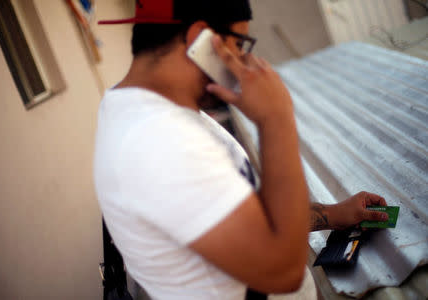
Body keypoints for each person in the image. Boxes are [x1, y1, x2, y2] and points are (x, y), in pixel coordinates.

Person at [94, 0, 389, 299]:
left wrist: (333, 214)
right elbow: (281, 272)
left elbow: (248, 220)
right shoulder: (160, 140)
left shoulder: (152, 112)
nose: (243, 60)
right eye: (239, 44)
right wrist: (276, 119)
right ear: (200, 39)